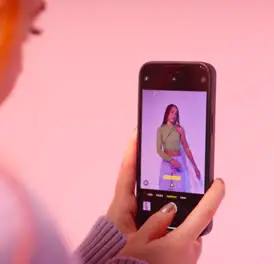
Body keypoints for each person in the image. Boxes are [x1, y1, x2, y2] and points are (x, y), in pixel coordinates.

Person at [0, 1, 226, 264]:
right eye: (31, 29)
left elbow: (187, 147)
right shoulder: (15, 219)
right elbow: (160, 150)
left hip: (181, 169)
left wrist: (111, 245)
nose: (21, 66)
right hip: (169, 165)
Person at [157, 104, 201, 193]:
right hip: (167, 162)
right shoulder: (161, 129)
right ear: (167, 113)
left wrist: (195, 167)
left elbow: (186, 149)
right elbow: (159, 150)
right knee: (164, 190)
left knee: (180, 190)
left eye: (176, 114)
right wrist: (171, 160)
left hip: (179, 162)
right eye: (172, 112)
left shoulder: (179, 129)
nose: (174, 115)